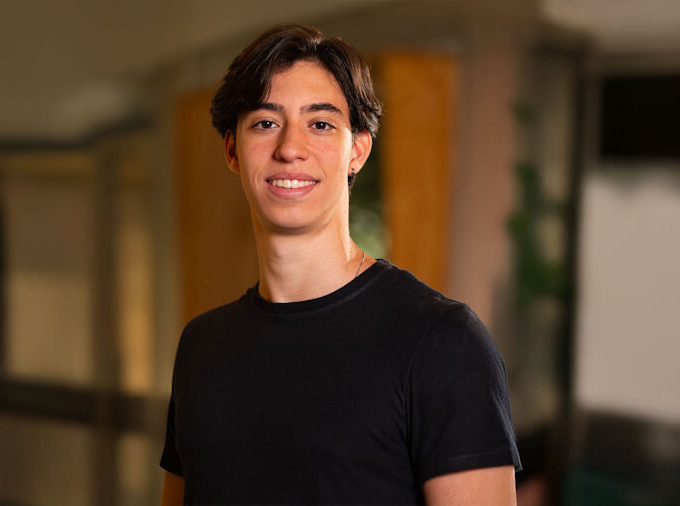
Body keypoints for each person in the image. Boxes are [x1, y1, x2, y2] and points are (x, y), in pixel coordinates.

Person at [160, 23, 520, 505]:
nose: (290, 148)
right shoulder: (201, 347)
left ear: (358, 150)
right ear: (232, 150)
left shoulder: (442, 343)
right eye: (265, 123)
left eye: (321, 124)